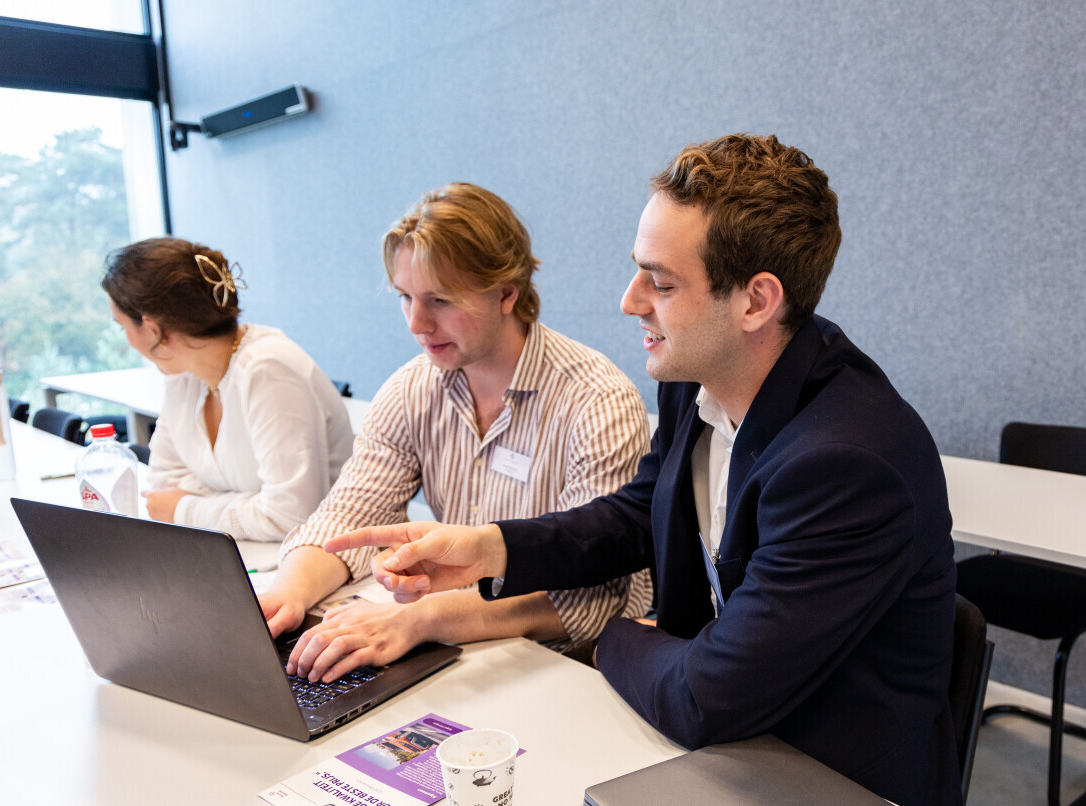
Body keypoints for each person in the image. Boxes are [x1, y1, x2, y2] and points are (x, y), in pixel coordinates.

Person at [329, 137, 961, 805]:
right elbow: (638, 514)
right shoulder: (698, 376)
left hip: (825, 774)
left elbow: (706, 696)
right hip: (720, 743)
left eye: (660, 283)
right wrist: (491, 549)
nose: (630, 302)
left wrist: (612, 636)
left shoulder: (846, 465)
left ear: (755, 302)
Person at [260, 182, 652, 681]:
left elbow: (590, 598)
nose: (416, 323)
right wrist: (287, 595)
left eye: (440, 300)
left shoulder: (597, 401)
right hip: (457, 642)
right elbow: (350, 516)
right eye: (405, 297)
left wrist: (421, 619)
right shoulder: (412, 388)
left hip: (574, 663)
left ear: (506, 293)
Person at [103, 237, 353, 542]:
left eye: (123, 327)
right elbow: (163, 486)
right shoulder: (183, 373)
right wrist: (246, 509)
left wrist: (185, 509)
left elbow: (290, 516)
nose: (127, 340)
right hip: (247, 551)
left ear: (154, 330)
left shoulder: (268, 370)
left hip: (328, 555)